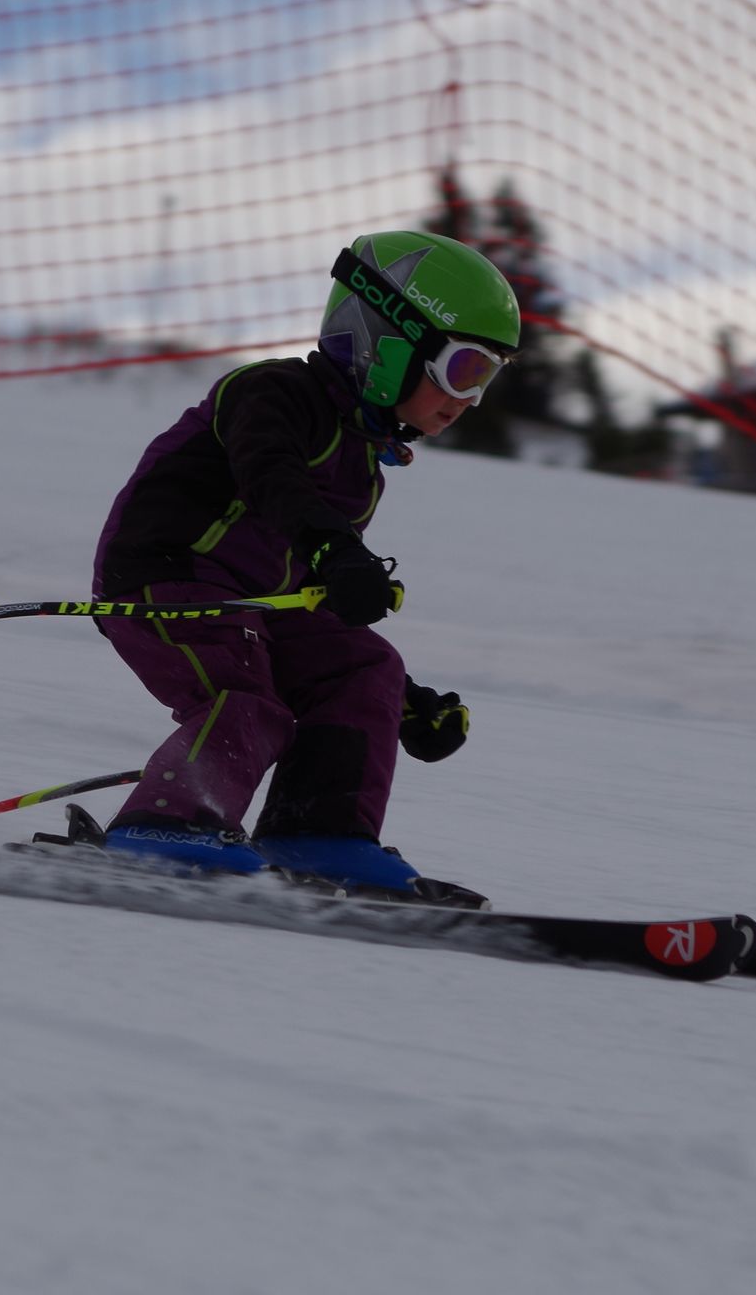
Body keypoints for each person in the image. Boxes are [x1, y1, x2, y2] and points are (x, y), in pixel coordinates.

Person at [87, 230, 521, 898]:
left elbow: (314, 587)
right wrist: (335, 547)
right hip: (165, 577)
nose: (469, 398)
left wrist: (405, 702)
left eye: (486, 379)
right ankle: (166, 825)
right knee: (245, 696)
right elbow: (271, 476)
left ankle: (318, 834)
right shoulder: (272, 393)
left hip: (259, 604)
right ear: (389, 343)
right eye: (463, 369)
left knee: (363, 668)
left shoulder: (364, 465)